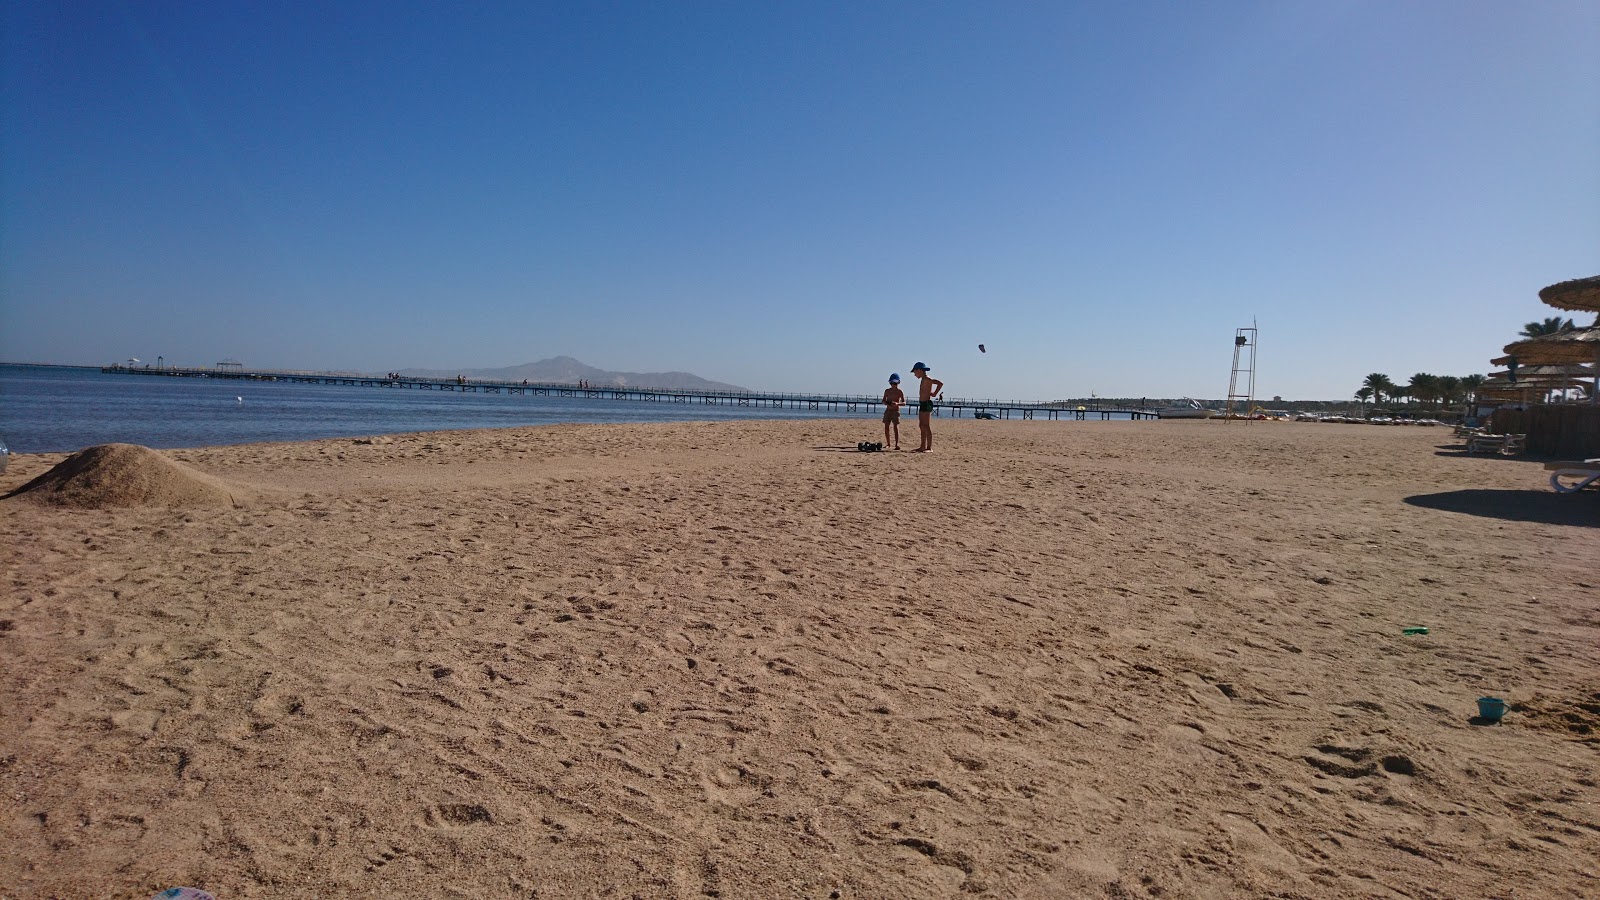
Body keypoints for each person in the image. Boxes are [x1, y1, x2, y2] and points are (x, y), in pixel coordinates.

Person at [910, 362, 943, 452]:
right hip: (922, 403)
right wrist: (931, 392)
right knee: (921, 425)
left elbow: (940, 383)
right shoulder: (923, 379)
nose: (914, 374)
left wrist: (935, 393)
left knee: (926, 426)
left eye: (915, 372)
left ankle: (929, 447)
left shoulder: (927, 379)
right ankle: (922, 446)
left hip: (926, 403)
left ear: (920, 370)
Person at [881, 373, 905, 450]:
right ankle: (888, 443)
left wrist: (897, 404)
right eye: (891, 383)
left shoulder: (899, 392)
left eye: (894, 383)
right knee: (886, 427)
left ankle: (897, 444)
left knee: (896, 427)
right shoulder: (887, 391)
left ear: (898, 383)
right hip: (888, 410)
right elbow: (883, 400)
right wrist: (888, 403)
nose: (893, 385)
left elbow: (904, 402)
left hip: (896, 411)